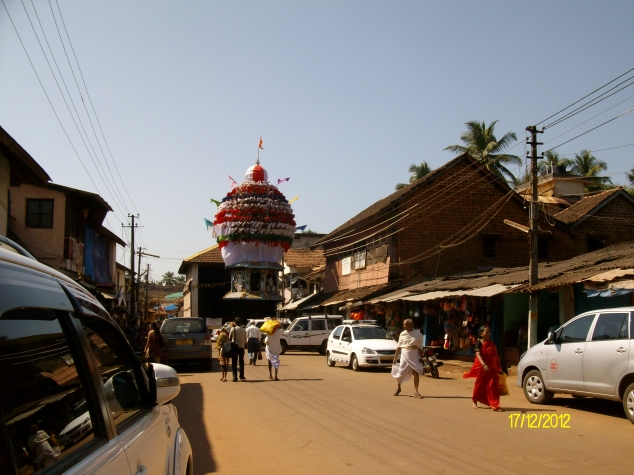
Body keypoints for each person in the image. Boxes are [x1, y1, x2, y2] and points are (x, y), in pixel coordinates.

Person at [463, 325, 502, 411]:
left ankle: (494, 404)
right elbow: (478, 354)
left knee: (493, 386)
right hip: (481, 367)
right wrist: (484, 365)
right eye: (486, 332)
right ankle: (475, 400)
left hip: (492, 368)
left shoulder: (491, 344)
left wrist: (499, 367)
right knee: (479, 385)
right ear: (481, 334)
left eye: (489, 332)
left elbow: (495, 356)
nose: (489, 334)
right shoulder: (478, 343)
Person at [392, 318, 425, 398]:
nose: (404, 326)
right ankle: (399, 388)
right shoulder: (402, 334)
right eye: (403, 324)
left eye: (405, 324)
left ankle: (416, 392)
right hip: (404, 354)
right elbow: (399, 346)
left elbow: (420, 345)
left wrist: (421, 353)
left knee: (416, 372)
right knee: (400, 373)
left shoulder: (418, 334)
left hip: (414, 354)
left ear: (411, 325)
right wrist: (395, 357)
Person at [228, 317, 247, 381]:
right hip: (241, 347)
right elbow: (245, 340)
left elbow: (229, 338)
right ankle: (242, 376)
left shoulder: (233, 329)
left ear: (235, 323)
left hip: (234, 347)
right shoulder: (244, 330)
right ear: (241, 323)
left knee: (234, 362)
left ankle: (234, 377)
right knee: (241, 362)